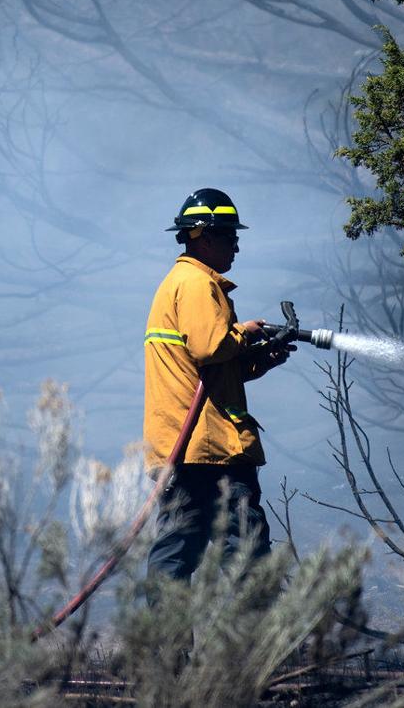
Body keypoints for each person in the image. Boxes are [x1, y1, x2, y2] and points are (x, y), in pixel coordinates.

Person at [143, 188, 295, 587]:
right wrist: (245, 333)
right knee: (244, 552)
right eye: (230, 237)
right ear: (204, 237)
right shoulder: (197, 284)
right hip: (211, 450)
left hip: (185, 449)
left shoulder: (178, 284)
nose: (237, 248)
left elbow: (207, 372)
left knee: (176, 553)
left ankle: (162, 648)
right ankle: (262, 643)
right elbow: (211, 347)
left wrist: (261, 358)